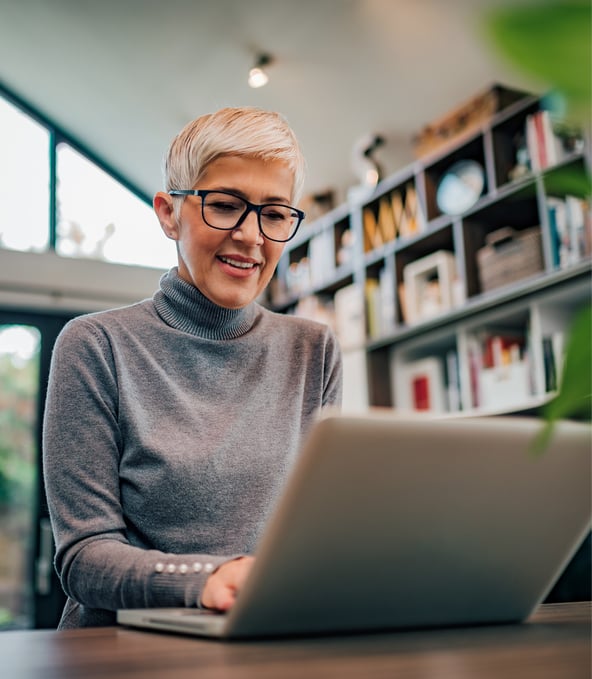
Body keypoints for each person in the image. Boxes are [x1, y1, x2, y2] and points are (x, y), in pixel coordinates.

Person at [42, 107, 343, 629]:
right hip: (123, 652)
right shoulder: (96, 346)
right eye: (225, 206)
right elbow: (83, 558)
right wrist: (207, 580)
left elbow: (321, 531)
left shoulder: (313, 350)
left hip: (265, 639)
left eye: (274, 214)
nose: (252, 237)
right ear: (168, 213)